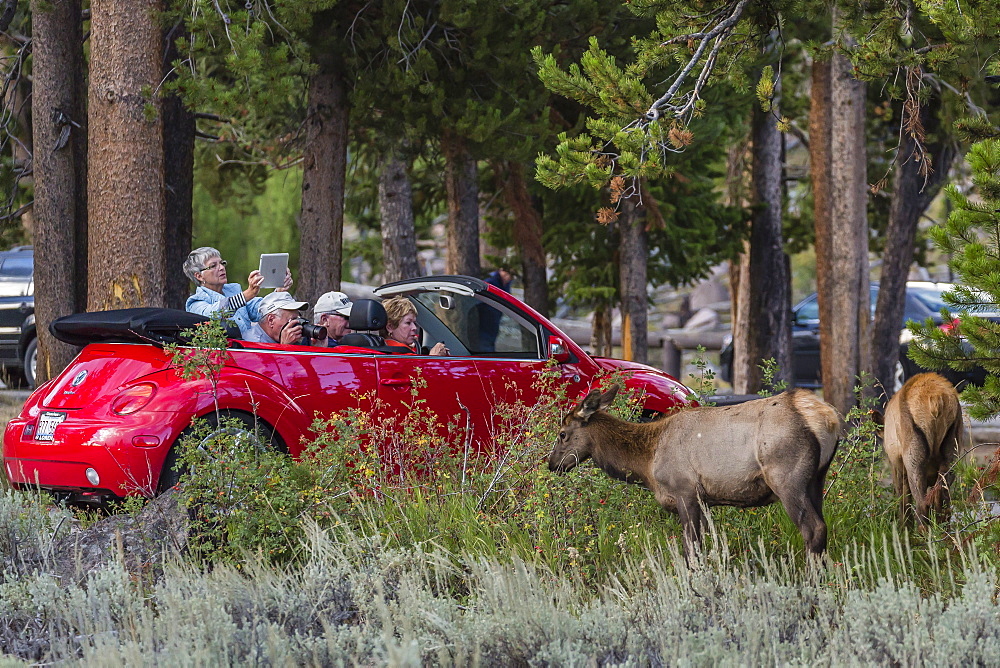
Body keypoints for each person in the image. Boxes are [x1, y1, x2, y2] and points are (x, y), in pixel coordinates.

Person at [184, 246, 293, 338]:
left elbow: (260, 310)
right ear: (199, 276)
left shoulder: (233, 289)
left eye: (222, 263)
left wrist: (278, 292)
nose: (221, 268)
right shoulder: (195, 302)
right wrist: (248, 294)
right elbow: (214, 314)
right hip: (225, 357)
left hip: (250, 348)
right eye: (213, 266)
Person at [382, 296, 448, 355]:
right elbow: (415, 368)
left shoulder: (404, 350)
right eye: (408, 323)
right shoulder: (392, 354)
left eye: (414, 323)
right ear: (390, 327)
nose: (414, 328)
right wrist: (433, 358)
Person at [244, 292, 309, 345]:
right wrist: (285, 347)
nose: (297, 325)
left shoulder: (276, 338)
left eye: (298, 319)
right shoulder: (251, 343)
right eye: (291, 320)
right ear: (271, 320)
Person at [478, 266, 513, 352]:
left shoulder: (505, 284)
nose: (508, 277)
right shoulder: (491, 283)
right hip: (485, 321)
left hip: (494, 322)